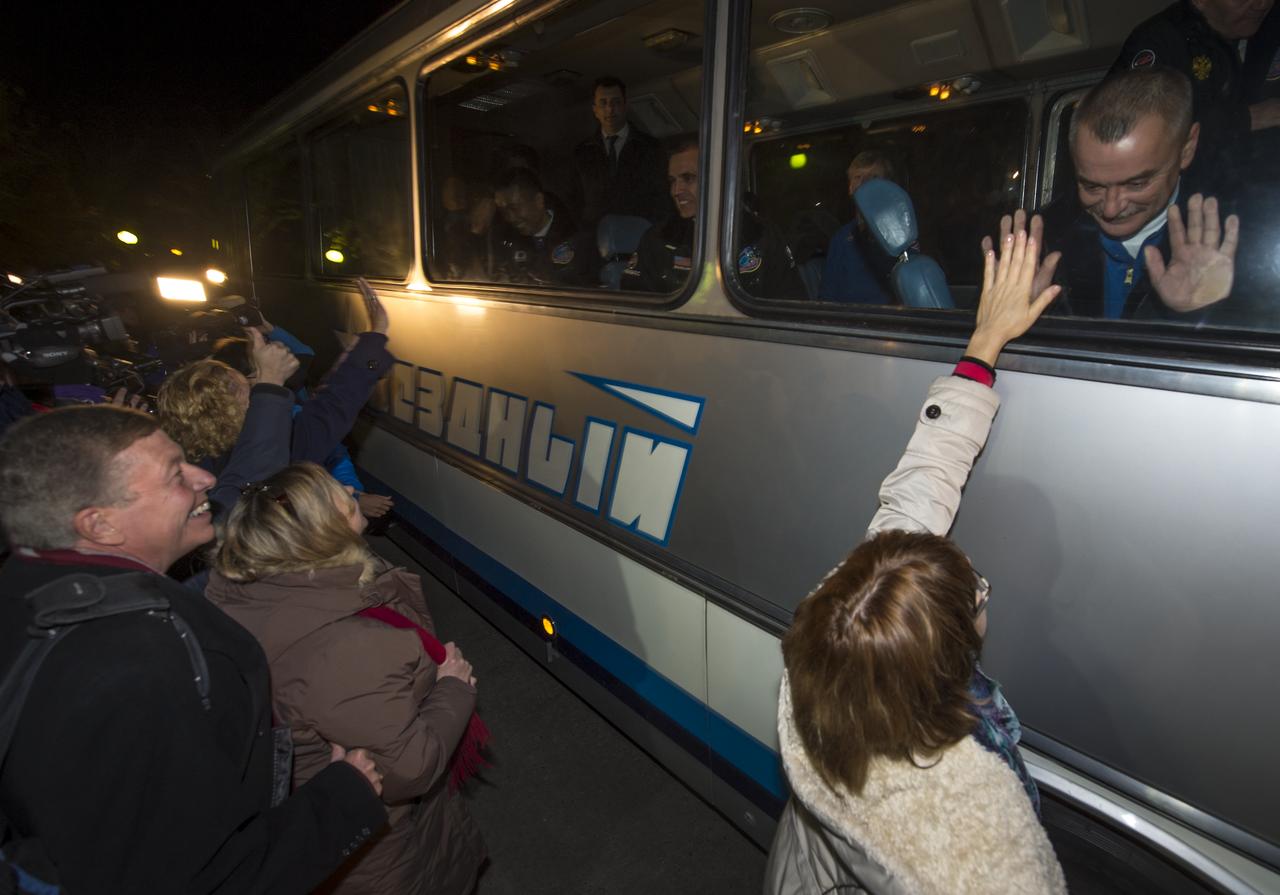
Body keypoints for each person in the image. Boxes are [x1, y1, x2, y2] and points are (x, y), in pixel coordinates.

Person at [764, 226, 1067, 895]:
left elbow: (920, 484)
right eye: (978, 594)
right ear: (947, 671)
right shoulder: (986, 850)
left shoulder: (832, 658)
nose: (984, 593)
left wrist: (984, 343)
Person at [0, 406, 389, 894]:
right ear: (100, 526)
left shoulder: (31, 590)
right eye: (175, 475)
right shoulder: (132, 667)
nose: (206, 477)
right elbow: (197, 878)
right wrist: (342, 800)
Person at [206, 463, 488, 895]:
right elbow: (408, 769)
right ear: (324, 532)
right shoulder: (341, 647)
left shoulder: (249, 592)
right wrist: (452, 686)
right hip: (385, 857)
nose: (353, 489)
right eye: (342, 493)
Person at [988, 67, 1241, 322]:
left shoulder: (1242, 241)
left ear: (1186, 149)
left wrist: (1196, 313)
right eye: (1092, 187)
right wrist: (1021, 318)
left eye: (1137, 184)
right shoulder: (1036, 242)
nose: (1110, 209)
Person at [159, 278, 394, 519]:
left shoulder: (185, 459)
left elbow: (327, 405)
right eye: (248, 386)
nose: (254, 389)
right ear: (232, 402)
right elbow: (331, 409)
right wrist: (375, 336)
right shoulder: (267, 451)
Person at [211, 320, 395, 522]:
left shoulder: (219, 429)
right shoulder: (271, 430)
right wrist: (352, 498)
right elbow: (287, 493)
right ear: (245, 381)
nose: (282, 355)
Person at [1110, 0, 1280, 192]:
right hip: (1186, 193)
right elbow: (1139, 142)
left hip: (1257, 183)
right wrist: (1247, 118)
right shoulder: (1162, 43)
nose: (1261, 4)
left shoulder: (1271, 27)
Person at [622, 138, 803, 297]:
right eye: (672, 181)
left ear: (716, 178)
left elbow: (791, 304)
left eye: (688, 178)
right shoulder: (658, 240)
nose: (676, 191)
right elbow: (634, 308)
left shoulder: (760, 235)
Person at [571, 76, 669, 229]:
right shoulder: (582, 153)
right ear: (595, 110)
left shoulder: (651, 148)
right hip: (594, 237)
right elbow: (575, 199)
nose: (610, 109)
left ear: (625, 106)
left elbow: (661, 197)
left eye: (615, 102)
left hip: (639, 234)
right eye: (603, 103)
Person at [493, 167, 599, 287]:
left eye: (515, 207)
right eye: (503, 211)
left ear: (539, 201)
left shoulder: (578, 239)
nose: (510, 217)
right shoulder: (508, 242)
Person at [818, 150, 899, 304]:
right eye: (858, 177)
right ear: (850, 187)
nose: (865, 183)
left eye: (874, 177)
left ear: (887, 185)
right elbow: (827, 299)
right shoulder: (841, 240)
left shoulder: (901, 235)